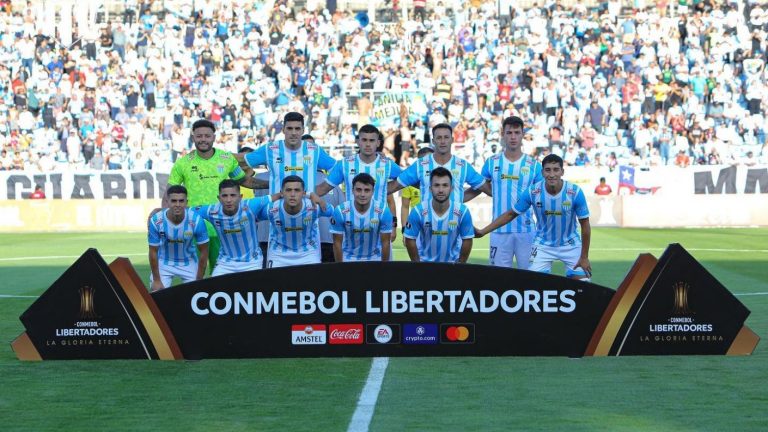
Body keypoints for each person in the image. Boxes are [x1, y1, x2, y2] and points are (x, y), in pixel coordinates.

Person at [168, 119, 265, 273]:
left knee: (220, 274)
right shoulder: (183, 163)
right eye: (199, 136)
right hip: (192, 227)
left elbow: (244, 180)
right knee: (192, 274)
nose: (203, 139)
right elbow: (170, 192)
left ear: (214, 137)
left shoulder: (226, 159)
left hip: (220, 228)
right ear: (193, 138)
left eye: (207, 136)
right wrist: (167, 219)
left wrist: (271, 184)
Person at [475, 154, 592, 280]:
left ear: (562, 172)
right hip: (542, 245)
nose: (552, 174)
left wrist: (584, 257)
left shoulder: (575, 192)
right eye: (548, 170)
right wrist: (483, 231)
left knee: (582, 283)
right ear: (542, 172)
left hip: (571, 244)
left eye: (556, 170)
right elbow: (511, 214)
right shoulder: (533, 192)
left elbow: (585, 225)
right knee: (533, 285)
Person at [473, 116, 543, 269]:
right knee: (499, 278)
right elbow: (479, 188)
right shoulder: (492, 162)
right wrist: (456, 199)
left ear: (522, 134)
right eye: (509, 133)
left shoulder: (534, 165)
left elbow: (541, 198)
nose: (513, 137)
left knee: (532, 276)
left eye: (517, 133)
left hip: (526, 231)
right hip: (499, 231)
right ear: (502, 134)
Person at [315, 124, 401, 238]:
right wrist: (300, 195)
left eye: (372, 140)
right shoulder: (345, 164)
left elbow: (408, 180)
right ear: (358, 141)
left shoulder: (387, 165)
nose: (368, 144)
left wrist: (385, 188)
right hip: (351, 229)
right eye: (364, 140)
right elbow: (322, 189)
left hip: (379, 230)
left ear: (378, 143)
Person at [388, 123, 491, 204]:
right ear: (433, 141)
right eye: (439, 138)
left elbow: (484, 188)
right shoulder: (421, 165)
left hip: (454, 223)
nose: (442, 141)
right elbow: (394, 186)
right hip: (427, 223)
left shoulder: (462, 166)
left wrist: (459, 199)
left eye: (446, 137)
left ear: (452, 140)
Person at [238, 112, 337, 196]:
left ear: (303, 130)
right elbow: (242, 160)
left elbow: (338, 169)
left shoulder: (315, 150)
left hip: (308, 210)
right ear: (283, 130)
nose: (293, 133)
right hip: (277, 210)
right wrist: (224, 155)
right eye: (289, 128)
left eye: (297, 129)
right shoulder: (270, 149)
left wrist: (322, 189)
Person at [193, 180, 275, 276]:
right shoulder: (211, 211)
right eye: (224, 196)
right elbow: (188, 211)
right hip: (225, 263)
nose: (229, 200)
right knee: (215, 285)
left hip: (252, 262)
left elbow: (276, 197)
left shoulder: (250, 205)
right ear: (219, 198)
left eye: (233, 195)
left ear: (240, 197)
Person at [258, 175, 333, 267]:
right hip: (278, 254)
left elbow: (336, 212)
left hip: (308, 253)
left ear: (304, 193)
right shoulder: (271, 209)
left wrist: (313, 196)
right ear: (281, 193)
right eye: (288, 190)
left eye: (297, 190)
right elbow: (251, 216)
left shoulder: (314, 207)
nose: (292, 194)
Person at [403, 167, 474, 263]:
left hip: (452, 266)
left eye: (445, 185)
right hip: (425, 266)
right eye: (436, 185)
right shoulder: (418, 211)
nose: (441, 190)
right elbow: (410, 238)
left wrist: (461, 264)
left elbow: (467, 239)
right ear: (430, 189)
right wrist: (417, 265)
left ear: (451, 188)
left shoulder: (463, 211)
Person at [148, 185, 209, 291]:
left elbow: (204, 251)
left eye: (181, 201)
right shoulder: (156, 221)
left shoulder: (196, 220)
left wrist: (199, 279)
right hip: (164, 262)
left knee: (197, 293)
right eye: (174, 201)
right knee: (157, 292)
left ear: (186, 202)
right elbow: (153, 252)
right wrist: (157, 280)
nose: (177, 205)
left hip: (189, 262)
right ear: (167, 202)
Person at [330, 173, 393, 262]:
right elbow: (337, 243)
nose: (362, 194)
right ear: (352, 190)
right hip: (348, 259)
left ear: (373, 191)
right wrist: (340, 267)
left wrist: (383, 267)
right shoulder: (340, 211)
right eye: (358, 190)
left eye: (367, 190)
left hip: (375, 258)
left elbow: (386, 243)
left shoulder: (383, 211)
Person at [400, 146, 434, 241]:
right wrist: (404, 229)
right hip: (416, 225)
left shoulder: (442, 180)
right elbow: (405, 207)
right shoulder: (410, 180)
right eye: (424, 161)